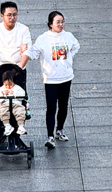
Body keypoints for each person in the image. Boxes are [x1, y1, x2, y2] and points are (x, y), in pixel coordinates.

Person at [28, 11, 80, 150]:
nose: (60, 24)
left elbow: (76, 47)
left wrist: (68, 60)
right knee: (51, 108)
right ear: (50, 23)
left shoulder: (68, 36)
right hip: (51, 79)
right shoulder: (43, 38)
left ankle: (60, 130)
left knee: (63, 106)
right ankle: (50, 136)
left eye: (62, 21)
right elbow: (34, 53)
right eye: (58, 22)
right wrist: (24, 52)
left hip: (66, 77)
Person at [0, 1, 32, 72]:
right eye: (9, 15)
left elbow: (28, 50)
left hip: (19, 68)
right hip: (0, 68)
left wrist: (19, 68)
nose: (12, 17)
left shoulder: (24, 29)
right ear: (2, 16)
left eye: (14, 15)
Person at [0, 67, 27, 136]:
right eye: (6, 85)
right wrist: (2, 94)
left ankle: (21, 126)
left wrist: (14, 93)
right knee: (2, 111)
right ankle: (7, 126)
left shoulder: (17, 88)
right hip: (4, 105)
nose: (8, 87)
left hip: (16, 104)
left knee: (20, 111)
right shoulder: (1, 89)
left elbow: (22, 95)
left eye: (10, 85)